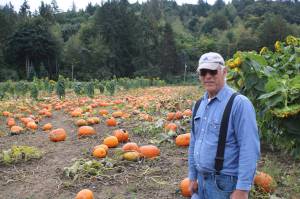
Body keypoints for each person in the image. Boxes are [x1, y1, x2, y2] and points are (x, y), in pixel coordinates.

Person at [188, 52, 260, 199]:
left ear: (224, 71)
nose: (208, 76)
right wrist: (192, 176)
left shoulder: (239, 104)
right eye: (203, 72)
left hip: (224, 184)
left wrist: (243, 189)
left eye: (213, 71)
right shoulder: (198, 105)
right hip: (201, 182)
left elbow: (249, 148)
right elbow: (194, 143)